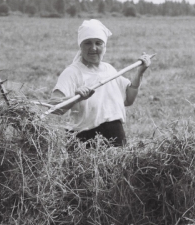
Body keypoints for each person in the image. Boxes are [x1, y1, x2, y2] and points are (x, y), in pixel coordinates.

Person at [50, 19, 151, 147]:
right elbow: (53, 107)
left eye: (98, 43)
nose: (93, 48)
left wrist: (140, 72)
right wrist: (75, 98)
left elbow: (129, 99)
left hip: (115, 134)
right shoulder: (72, 72)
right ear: (80, 46)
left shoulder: (109, 69)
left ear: (105, 46)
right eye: (87, 43)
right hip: (83, 138)